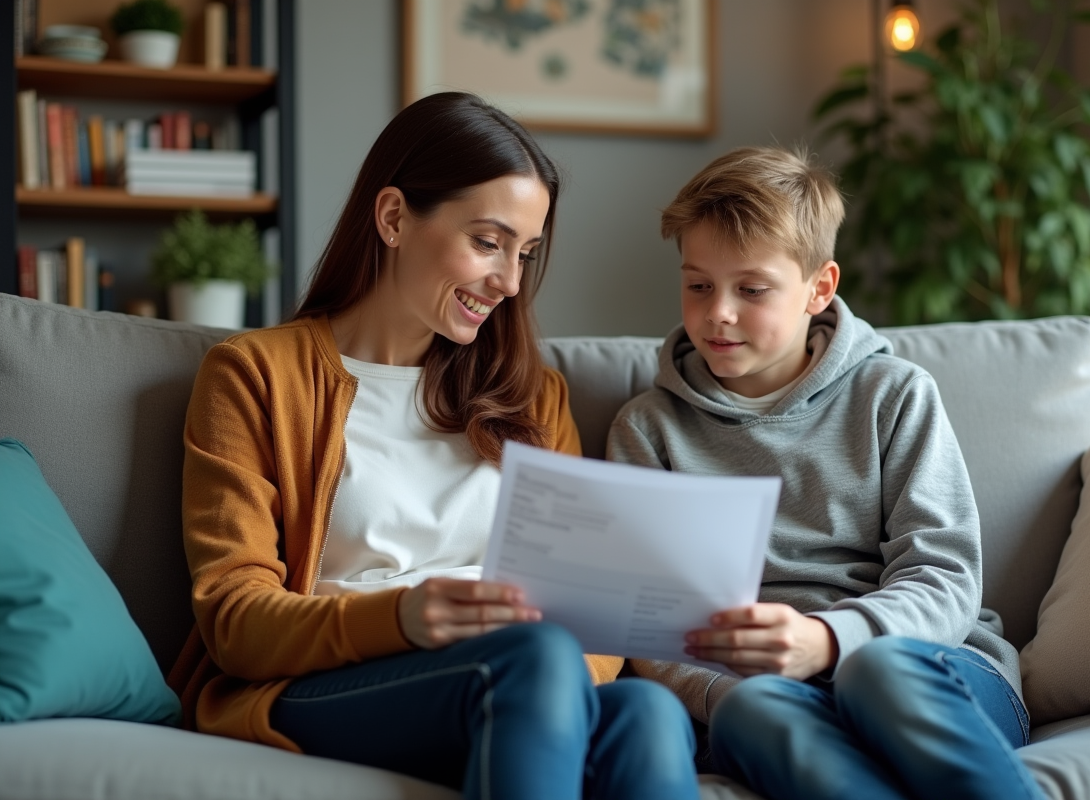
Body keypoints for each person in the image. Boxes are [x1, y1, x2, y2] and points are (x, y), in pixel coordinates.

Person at [168, 92, 698, 800]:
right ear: (393, 217)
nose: (510, 282)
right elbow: (234, 620)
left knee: (648, 713)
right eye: (487, 242)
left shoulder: (533, 396)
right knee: (536, 659)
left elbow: (589, 612)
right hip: (321, 685)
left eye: (525, 253)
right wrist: (404, 618)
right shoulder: (256, 375)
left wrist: (562, 680)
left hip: (520, 677)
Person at [607, 146, 1045, 800]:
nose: (718, 311)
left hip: (926, 666)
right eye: (698, 285)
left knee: (877, 670)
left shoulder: (893, 395)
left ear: (819, 288)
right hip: (761, 693)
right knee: (749, 707)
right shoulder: (648, 430)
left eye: (751, 289)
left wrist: (830, 641)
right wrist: (720, 690)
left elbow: (945, 574)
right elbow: (647, 620)